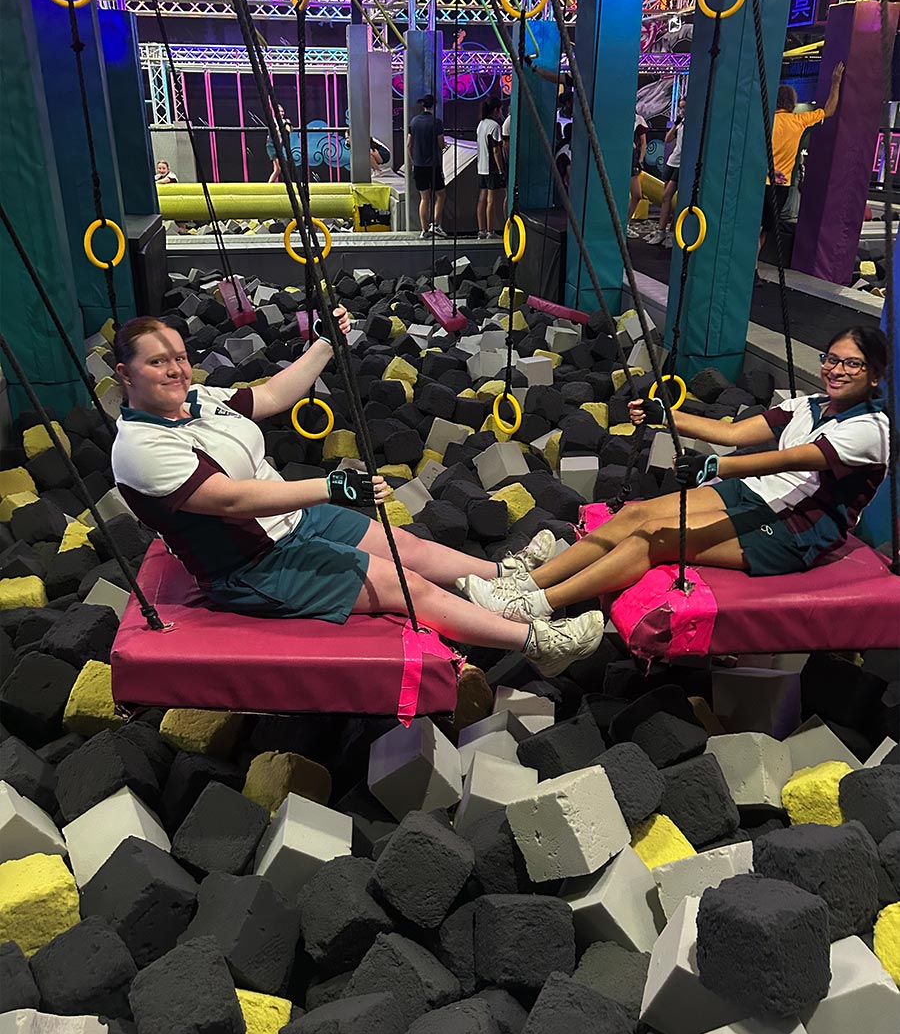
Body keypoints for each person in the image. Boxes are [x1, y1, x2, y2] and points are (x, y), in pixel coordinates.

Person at [110, 314, 603, 678]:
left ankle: (507, 578)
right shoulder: (142, 447)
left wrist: (326, 343)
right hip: (253, 564)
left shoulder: (198, 400)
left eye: (179, 357)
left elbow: (275, 395)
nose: (177, 369)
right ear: (125, 374)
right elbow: (231, 501)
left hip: (294, 520)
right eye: (158, 362)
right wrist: (331, 486)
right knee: (407, 585)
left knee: (412, 548)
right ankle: (538, 642)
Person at [458, 326, 889, 619]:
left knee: (658, 539)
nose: (837, 370)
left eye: (853, 365)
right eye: (833, 359)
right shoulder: (806, 405)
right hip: (759, 495)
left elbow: (793, 459)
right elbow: (731, 431)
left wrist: (718, 467)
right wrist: (667, 415)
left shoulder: (871, 429)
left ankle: (535, 605)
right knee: (633, 515)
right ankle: (517, 583)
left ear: (874, 376)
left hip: (798, 530)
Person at [759, 63, 844, 254]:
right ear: (792, 103)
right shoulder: (799, 122)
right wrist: (836, 83)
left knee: (752, 225)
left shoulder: (765, 121)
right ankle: (754, 266)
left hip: (757, 181)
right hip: (780, 185)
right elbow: (829, 111)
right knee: (764, 229)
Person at [645, 95, 685, 248]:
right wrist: (676, 123)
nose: (682, 110)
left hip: (682, 164)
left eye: (684, 107)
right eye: (680, 107)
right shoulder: (680, 124)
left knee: (669, 196)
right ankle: (662, 231)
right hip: (672, 161)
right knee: (665, 199)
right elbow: (668, 139)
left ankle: (671, 232)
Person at [407, 94, 447, 239]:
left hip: (418, 165)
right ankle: (436, 225)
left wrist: (413, 161)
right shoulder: (436, 122)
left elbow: (408, 145)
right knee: (440, 195)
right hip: (433, 165)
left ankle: (424, 230)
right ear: (434, 106)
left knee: (424, 198)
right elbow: (441, 144)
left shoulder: (414, 122)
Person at [476, 97, 506, 240]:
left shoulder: (481, 124)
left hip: (481, 166)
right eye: (500, 109)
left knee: (482, 199)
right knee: (491, 200)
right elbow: (496, 150)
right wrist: (501, 170)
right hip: (491, 167)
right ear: (496, 110)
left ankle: (481, 230)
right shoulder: (494, 126)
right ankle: (491, 231)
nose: (502, 112)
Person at [627, 111, 650, 238]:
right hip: (618, 158)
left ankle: (626, 224)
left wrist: (640, 160)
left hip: (632, 160)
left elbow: (643, 143)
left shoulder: (638, 119)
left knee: (637, 195)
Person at [267, 104, 292, 183]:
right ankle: (269, 184)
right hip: (272, 146)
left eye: (282, 111)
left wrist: (288, 123)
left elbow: (290, 130)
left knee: (279, 169)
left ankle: (269, 184)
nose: (282, 113)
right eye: (280, 111)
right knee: (278, 168)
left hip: (279, 147)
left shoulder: (284, 121)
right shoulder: (273, 121)